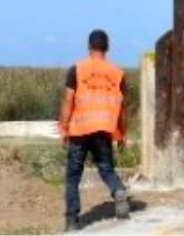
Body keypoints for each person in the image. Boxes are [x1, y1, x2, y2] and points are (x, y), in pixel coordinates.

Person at [58, 29, 130, 231]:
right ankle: (117, 190)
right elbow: (123, 108)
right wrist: (122, 133)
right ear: (107, 48)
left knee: (73, 176)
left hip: (80, 129)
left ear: (89, 47)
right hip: (103, 129)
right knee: (106, 168)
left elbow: (67, 100)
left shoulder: (77, 70)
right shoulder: (117, 74)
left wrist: (63, 129)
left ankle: (72, 220)